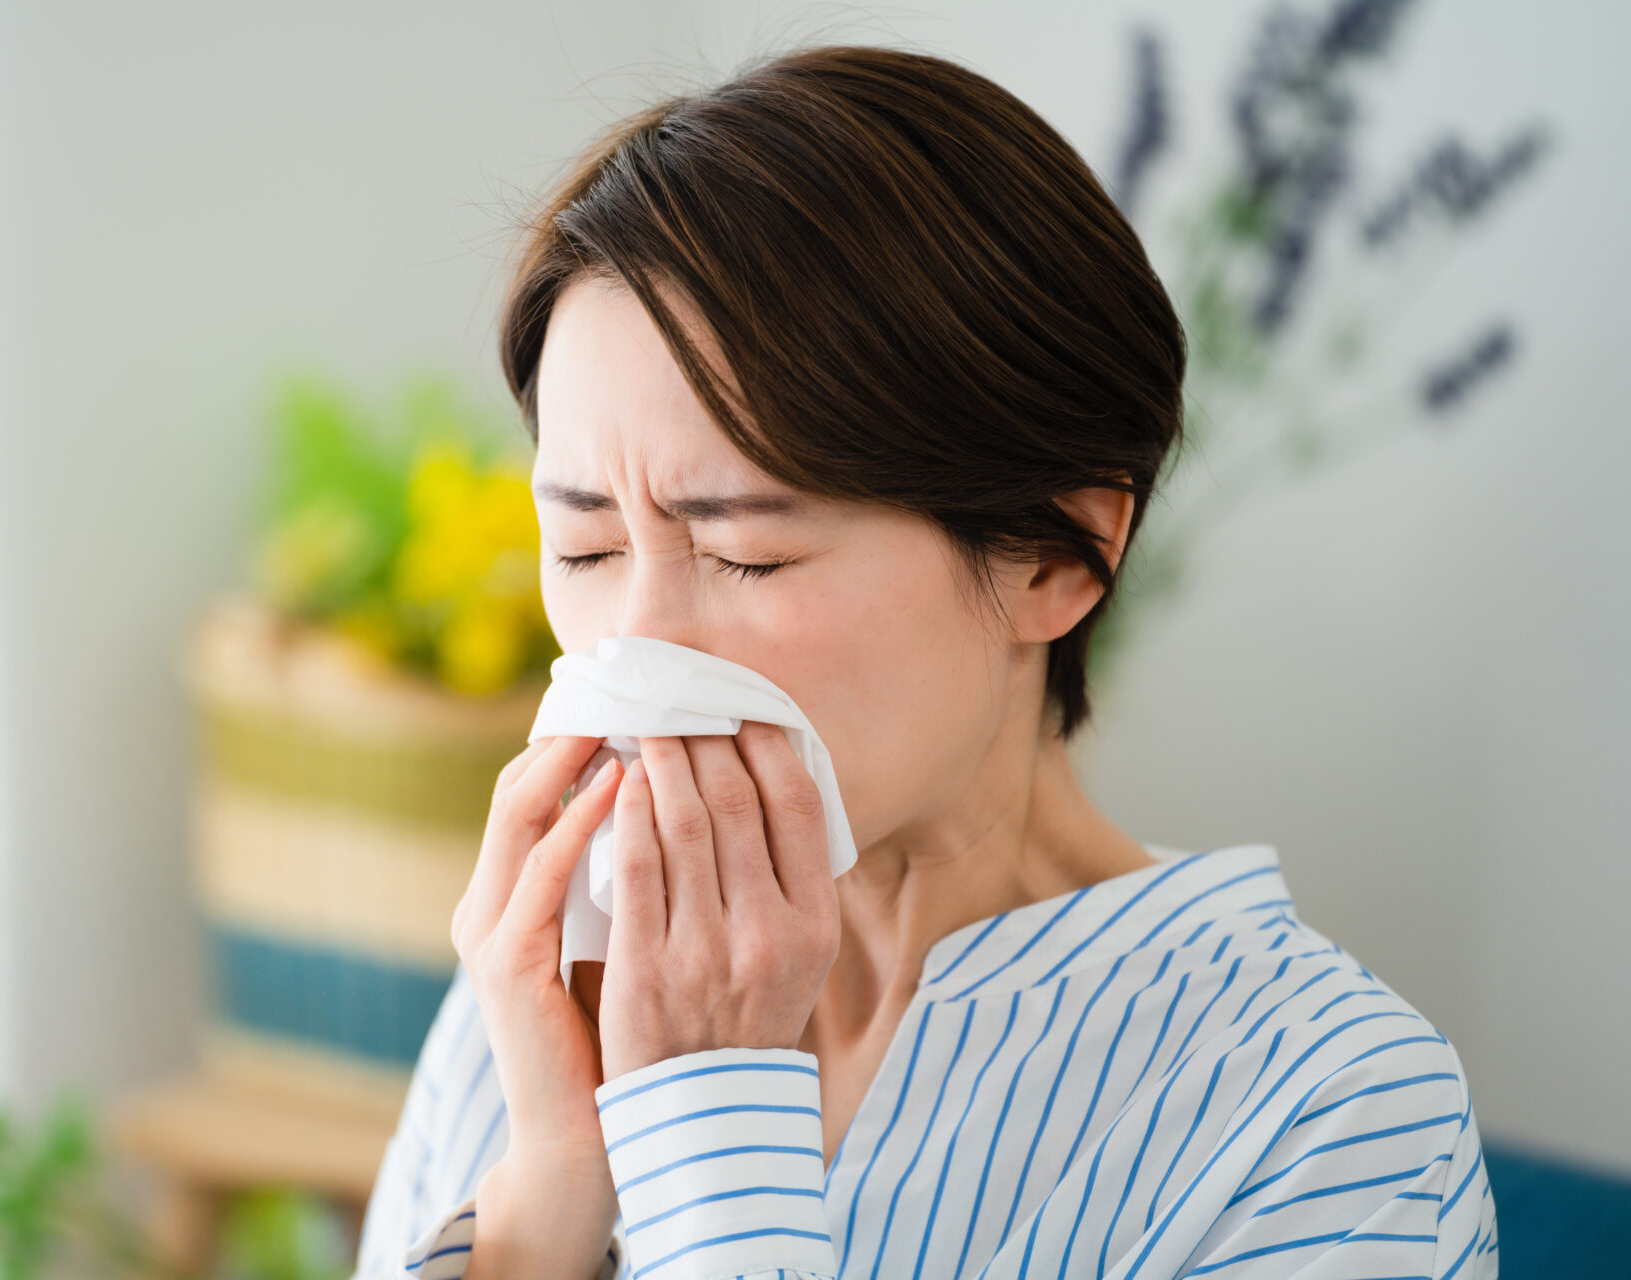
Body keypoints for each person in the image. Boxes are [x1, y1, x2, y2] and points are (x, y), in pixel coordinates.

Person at [352, 41, 1497, 1280]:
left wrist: (705, 1120)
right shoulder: (528, 1009)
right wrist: (551, 1186)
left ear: (1058, 555)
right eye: (584, 545)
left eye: (750, 557)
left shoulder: (1322, 1111)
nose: (637, 644)